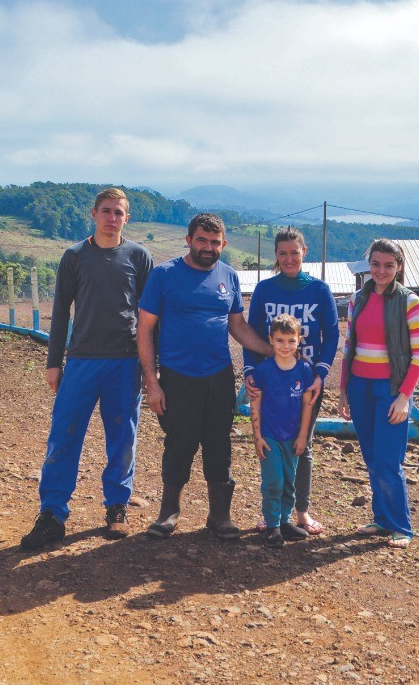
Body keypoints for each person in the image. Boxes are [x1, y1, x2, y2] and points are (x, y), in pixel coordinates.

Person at [22, 188, 154, 551]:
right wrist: (53, 362)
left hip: (125, 363)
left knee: (122, 438)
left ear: (127, 218)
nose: (112, 217)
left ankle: (116, 508)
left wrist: (149, 367)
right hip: (81, 361)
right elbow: (62, 310)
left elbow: (149, 317)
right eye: (106, 211)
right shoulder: (75, 256)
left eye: (119, 212)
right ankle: (52, 515)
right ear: (94, 214)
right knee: (63, 436)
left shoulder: (139, 257)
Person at [137, 212, 273, 539]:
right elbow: (144, 330)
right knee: (179, 442)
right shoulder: (164, 275)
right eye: (202, 240)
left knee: (218, 443)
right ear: (189, 240)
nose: (208, 247)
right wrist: (152, 382)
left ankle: (220, 516)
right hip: (177, 376)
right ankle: (169, 512)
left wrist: (271, 351)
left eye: (215, 242)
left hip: (219, 376)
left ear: (223, 244)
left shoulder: (229, 276)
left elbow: (237, 326)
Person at [242, 226, 339, 535]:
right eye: (282, 253)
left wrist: (320, 374)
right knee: (271, 444)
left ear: (304, 253)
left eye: (294, 253)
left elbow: (332, 334)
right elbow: (252, 334)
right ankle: (273, 516)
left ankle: (300, 512)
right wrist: (249, 373)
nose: (288, 259)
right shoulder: (265, 289)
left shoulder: (319, 290)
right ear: (276, 255)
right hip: (270, 382)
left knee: (301, 445)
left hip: (306, 382)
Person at [337, 238, 419, 549]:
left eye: (389, 265)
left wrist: (404, 397)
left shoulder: (410, 302)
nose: (381, 270)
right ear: (369, 265)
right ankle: (381, 519)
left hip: (390, 391)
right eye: (376, 264)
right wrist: (343, 390)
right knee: (372, 458)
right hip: (360, 387)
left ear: (399, 267)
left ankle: (401, 526)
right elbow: (350, 347)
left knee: (389, 460)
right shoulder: (356, 301)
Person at [249, 313, 319, 548]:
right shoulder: (263, 371)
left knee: (290, 481)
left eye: (291, 340)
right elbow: (255, 403)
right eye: (280, 340)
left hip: (293, 436)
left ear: (299, 340)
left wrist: (302, 436)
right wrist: (257, 436)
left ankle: (285, 521)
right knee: (274, 481)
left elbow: (307, 405)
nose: (285, 346)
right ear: (270, 340)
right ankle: (272, 526)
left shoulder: (304, 370)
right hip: (269, 436)